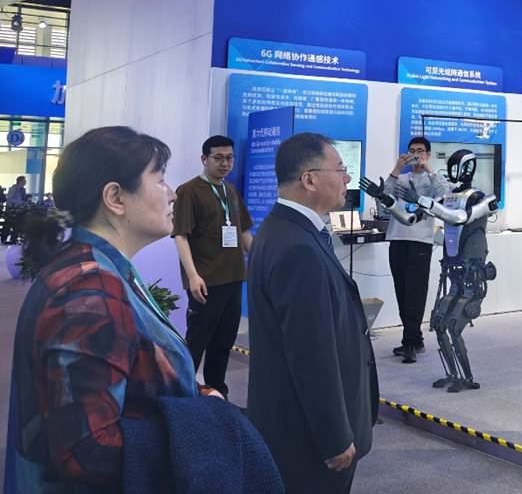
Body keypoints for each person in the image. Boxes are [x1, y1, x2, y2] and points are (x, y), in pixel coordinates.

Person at [4, 126, 277, 493]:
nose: (171, 194)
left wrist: (198, 395)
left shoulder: (105, 270)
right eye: (160, 180)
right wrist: (207, 420)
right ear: (115, 197)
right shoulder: (88, 291)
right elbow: (84, 450)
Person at [247, 132, 379, 494]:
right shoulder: (297, 248)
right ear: (309, 179)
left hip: (292, 423)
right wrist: (334, 436)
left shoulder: (284, 231)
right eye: (341, 169)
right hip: (307, 436)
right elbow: (310, 353)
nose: (347, 178)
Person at [171, 135, 253, 398]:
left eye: (229, 158)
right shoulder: (189, 191)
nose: (225, 163)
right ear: (204, 159)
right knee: (197, 342)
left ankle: (218, 395)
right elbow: (181, 235)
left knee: (223, 342)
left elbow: (243, 232)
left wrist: (261, 261)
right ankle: (183, 399)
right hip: (206, 281)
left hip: (233, 277)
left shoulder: (230, 191)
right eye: (218, 158)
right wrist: (192, 276)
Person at [384, 136, 450, 363]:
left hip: (420, 240)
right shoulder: (401, 178)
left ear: (428, 154)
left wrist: (428, 168)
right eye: (412, 150)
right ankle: (413, 338)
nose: (415, 154)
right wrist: (397, 168)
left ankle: (410, 342)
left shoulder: (434, 179)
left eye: (420, 151)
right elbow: (384, 196)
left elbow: (445, 195)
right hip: (397, 237)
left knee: (415, 291)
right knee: (401, 290)